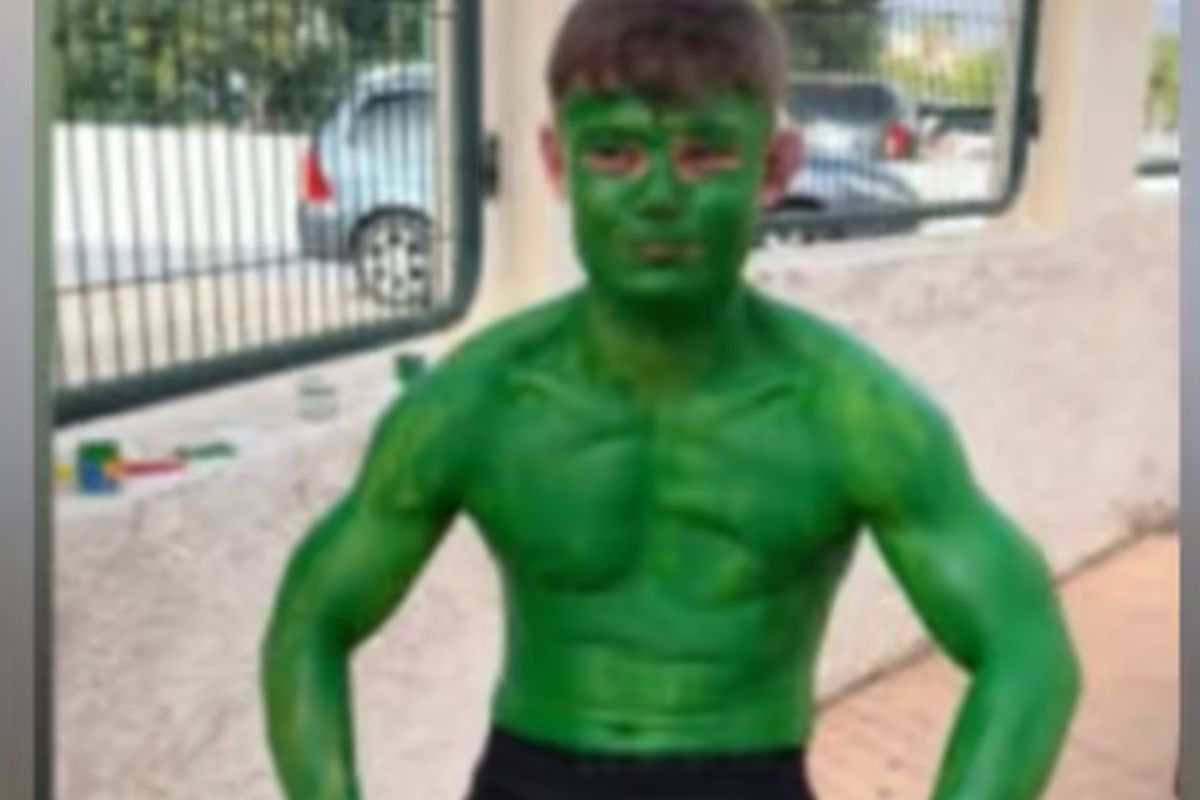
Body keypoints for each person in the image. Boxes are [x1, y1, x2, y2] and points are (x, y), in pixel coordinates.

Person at [261, 1, 1082, 798]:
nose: (657, 194)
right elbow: (310, 622)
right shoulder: (478, 401)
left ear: (775, 167)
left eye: (704, 155)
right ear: (556, 162)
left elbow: (1026, 652)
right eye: (614, 154)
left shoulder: (850, 413)